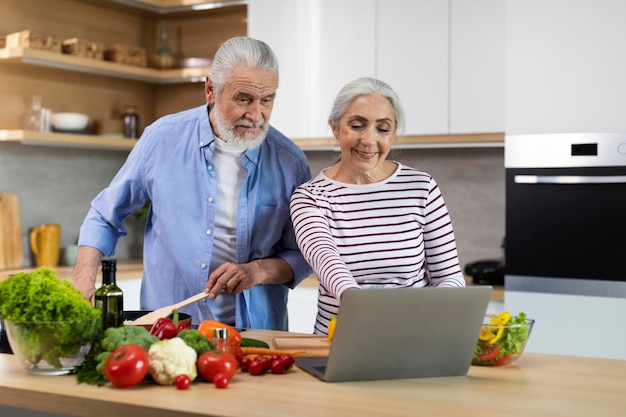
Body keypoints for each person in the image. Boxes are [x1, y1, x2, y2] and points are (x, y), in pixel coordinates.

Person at [72, 37, 312, 330]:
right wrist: (82, 278)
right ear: (211, 89)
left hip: (257, 334)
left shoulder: (290, 162)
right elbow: (105, 215)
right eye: (244, 99)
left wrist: (258, 270)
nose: (257, 115)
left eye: (267, 99)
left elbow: (302, 253)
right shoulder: (161, 139)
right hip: (169, 331)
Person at [289, 77, 465, 335]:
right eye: (357, 125)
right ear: (335, 128)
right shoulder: (310, 197)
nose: (369, 140)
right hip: (340, 341)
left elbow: (449, 275)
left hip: (415, 337)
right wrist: (373, 316)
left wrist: (431, 313)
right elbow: (329, 267)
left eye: (383, 129)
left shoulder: (422, 187)